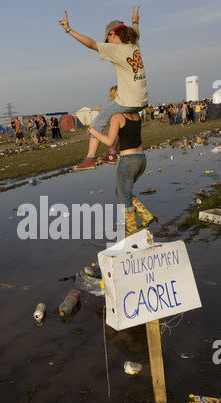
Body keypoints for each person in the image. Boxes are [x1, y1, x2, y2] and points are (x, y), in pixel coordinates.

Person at [59, 6, 148, 171]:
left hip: (128, 100)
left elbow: (91, 44)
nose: (107, 44)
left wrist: (69, 30)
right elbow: (136, 32)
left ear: (112, 34)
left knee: (97, 123)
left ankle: (90, 160)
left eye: (108, 40)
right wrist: (135, 21)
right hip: (142, 100)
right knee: (118, 122)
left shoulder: (116, 49)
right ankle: (112, 154)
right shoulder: (135, 44)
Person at [88, 111, 157, 235]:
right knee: (122, 192)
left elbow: (110, 140)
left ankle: (133, 231)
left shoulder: (117, 116)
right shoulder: (135, 114)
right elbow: (122, 137)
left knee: (123, 196)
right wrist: (111, 153)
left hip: (129, 161)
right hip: (141, 159)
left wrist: (93, 132)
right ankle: (145, 215)